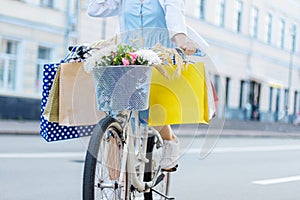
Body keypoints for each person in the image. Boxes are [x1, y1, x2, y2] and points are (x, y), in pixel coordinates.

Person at [88, 0, 199, 171]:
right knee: (116, 107)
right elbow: (96, 10)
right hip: (128, 56)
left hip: (157, 56)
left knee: (151, 109)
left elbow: (175, 14)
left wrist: (182, 39)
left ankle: (170, 141)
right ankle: (116, 178)